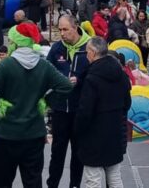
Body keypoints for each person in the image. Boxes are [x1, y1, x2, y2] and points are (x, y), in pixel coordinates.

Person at [0, 22, 73, 188]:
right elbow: (66, 86)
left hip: (7, 132)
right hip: (34, 133)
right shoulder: (44, 66)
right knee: (32, 180)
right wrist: (46, 101)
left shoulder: (6, 65)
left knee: (2, 181)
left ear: (15, 42)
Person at [74, 37, 132, 188]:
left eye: (87, 52)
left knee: (92, 178)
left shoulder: (92, 78)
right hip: (115, 132)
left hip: (94, 134)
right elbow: (127, 103)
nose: (86, 55)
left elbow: (85, 111)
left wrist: (77, 129)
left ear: (93, 53)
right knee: (114, 175)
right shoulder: (121, 75)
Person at [46, 16, 91, 188]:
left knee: (78, 152)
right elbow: (47, 72)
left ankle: (75, 185)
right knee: (57, 151)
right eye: (60, 30)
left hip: (80, 109)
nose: (62, 34)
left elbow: (95, 74)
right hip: (60, 109)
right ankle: (53, 184)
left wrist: (79, 80)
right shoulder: (57, 48)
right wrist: (61, 81)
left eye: (65, 29)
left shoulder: (89, 47)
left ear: (76, 28)